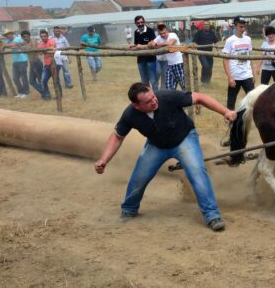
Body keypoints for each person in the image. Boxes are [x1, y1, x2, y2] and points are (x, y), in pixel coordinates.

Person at [94, 82, 236, 231]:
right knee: (139, 177)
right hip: (157, 145)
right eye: (148, 102)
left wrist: (226, 111)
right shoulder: (130, 114)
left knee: (197, 172)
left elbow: (199, 98)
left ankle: (212, 215)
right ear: (137, 106)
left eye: (153, 96)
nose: (154, 101)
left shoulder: (168, 96)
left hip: (184, 138)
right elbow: (117, 137)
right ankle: (129, 209)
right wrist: (104, 159)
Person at [222, 16, 254, 110]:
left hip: (247, 74)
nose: (243, 28)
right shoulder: (230, 40)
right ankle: (229, 119)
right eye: (240, 26)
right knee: (231, 100)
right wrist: (229, 77)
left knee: (253, 99)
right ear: (235, 26)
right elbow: (225, 58)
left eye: (244, 26)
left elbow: (249, 57)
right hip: (235, 75)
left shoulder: (248, 39)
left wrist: (252, 74)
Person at [148, 24, 185, 90]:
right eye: (161, 33)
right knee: (169, 86)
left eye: (164, 33)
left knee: (183, 84)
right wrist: (151, 43)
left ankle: (189, 99)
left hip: (178, 63)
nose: (163, 35)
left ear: (167, 31)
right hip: (169, 64)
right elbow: (150, 45)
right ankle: (171, 99)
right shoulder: (159, 37)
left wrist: (156, 44)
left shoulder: (173, 35)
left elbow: (170, 43)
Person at [131, 15, 158, 90]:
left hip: (151, 60)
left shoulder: (150, 31)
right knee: (144, 82)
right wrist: (133, 46)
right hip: (140, 60)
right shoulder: (136, 32)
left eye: (141, 22)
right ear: (135, 23)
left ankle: (157, 96)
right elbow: (137, 44)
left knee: (153, 81)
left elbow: (153, 44)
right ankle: (147, 98)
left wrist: (141, 46)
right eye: (138, 23)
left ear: (144, 22)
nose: (140, 24)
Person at [2, 29, 30, 98]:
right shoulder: (8, 41)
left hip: (23, 60)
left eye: (8, 34)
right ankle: (20, 92)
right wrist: (4, 45)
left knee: (23, 77)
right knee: (15, 78)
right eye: (6, 35)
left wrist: (5, 46)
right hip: (15, 61)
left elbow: (13, 44)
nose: (7, 36)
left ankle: (26, 92)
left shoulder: (18, 39)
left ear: (12, 33)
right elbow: (4, 45)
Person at [37, 30, 58, 100]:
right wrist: (44, 49)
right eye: (42, 36)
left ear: (47, 36)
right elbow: (39, 52)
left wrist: (44, 49)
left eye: (45, 36)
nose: (43, 38)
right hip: (46, 65)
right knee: (43, 80)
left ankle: (59, 95)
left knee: (55, 80)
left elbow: (53, 48)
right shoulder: (41, 44)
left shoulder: (51, 41)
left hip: (54, 63)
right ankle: (47, 95)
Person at [21, 30, 44, 96]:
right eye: (24, 37)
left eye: (27, 36)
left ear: (29, 36)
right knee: (31, 81)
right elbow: (23, 48)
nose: (26, 38)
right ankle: (43, 91)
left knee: (40, 80)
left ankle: (46, 94)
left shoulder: (33, 41)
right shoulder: (25, 42)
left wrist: (24, 50)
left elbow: (33, 49)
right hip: (31, 63)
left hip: (36, 62)